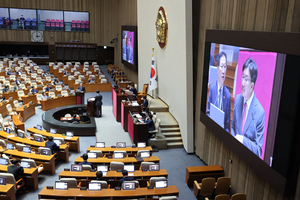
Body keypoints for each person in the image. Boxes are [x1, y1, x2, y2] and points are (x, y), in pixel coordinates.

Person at [231, 58, 265, 157]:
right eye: (242, 77)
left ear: (252, 86)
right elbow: (233, 128)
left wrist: (243, 140)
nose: (242, 83)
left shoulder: (259, 112)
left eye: (246, 79)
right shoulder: (238, 99)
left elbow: (258, 150)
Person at [206, 51, 231, 133]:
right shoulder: (212, 89)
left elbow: (227, 126)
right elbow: (207, 113)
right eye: (221, 66)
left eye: (225, 67)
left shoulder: (227, 95)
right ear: (217, 69)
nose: (223, 71)